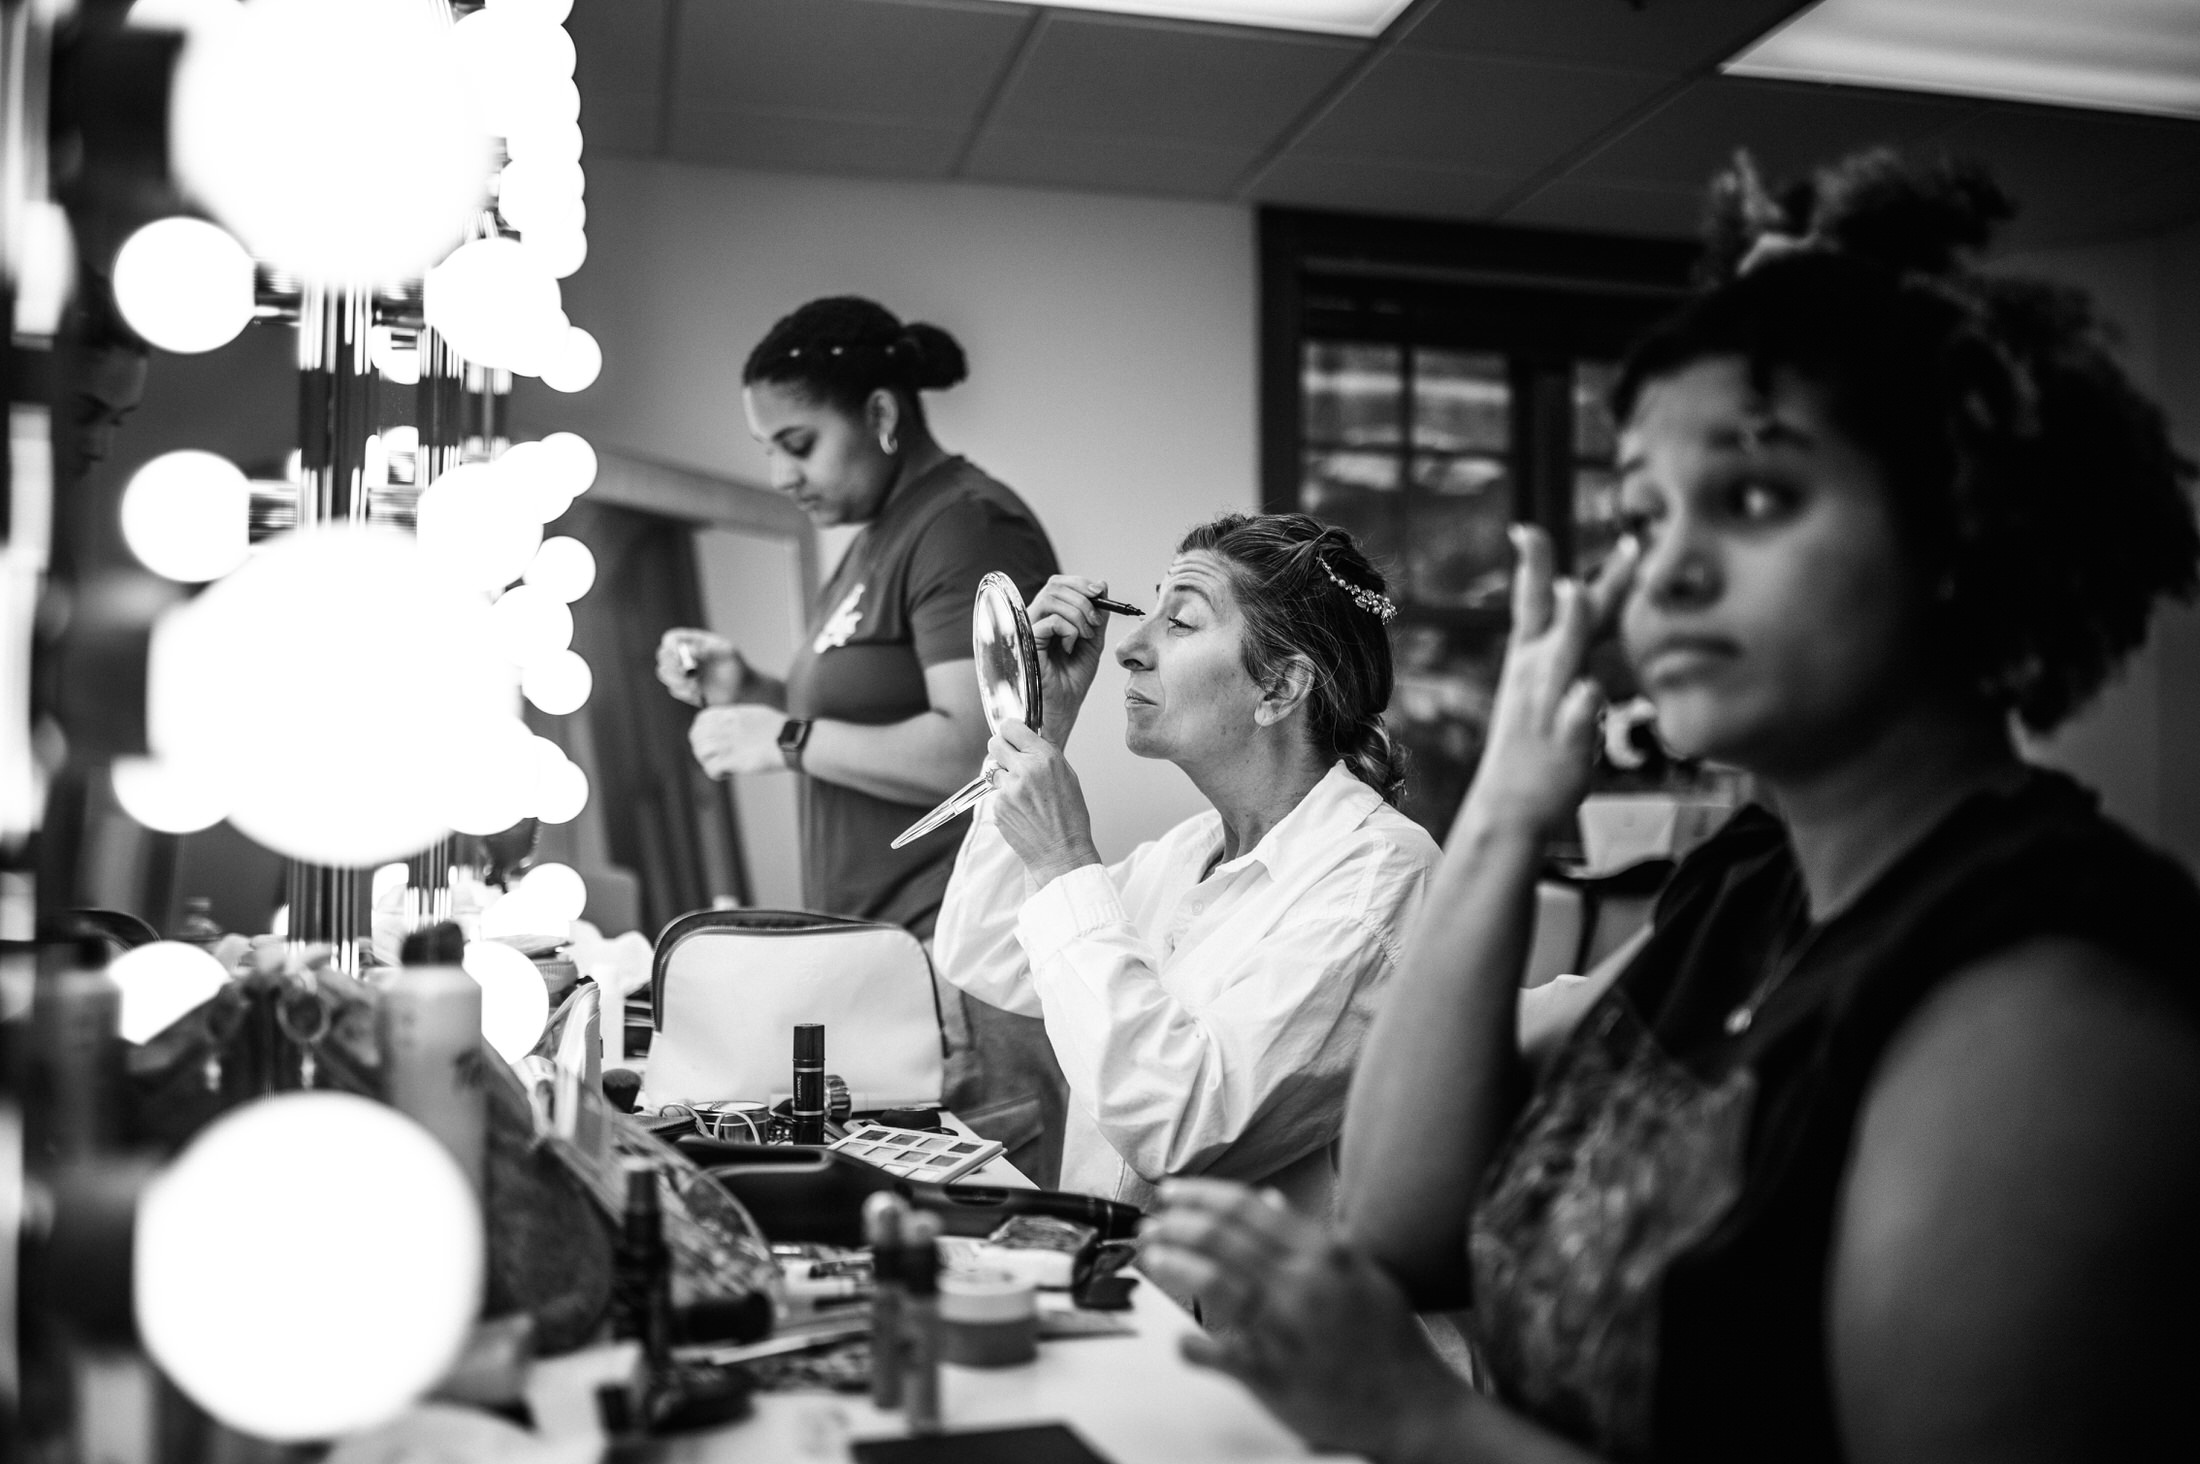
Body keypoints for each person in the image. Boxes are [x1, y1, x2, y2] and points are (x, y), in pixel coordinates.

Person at [1142, 151, 2200, 1462]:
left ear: (1961, 535)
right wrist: (1509, 807)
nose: (1669, 567)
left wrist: (1418, 1424)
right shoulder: (1755, 881)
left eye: (1756, 496)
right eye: (1642, 512)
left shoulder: (2051, 1005)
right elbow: (1400, 1216)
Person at [655, 296, 1065, 1176]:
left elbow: (978, 753)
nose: (777, 474)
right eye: (767, 448)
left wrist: (789, 736)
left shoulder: (966, 524)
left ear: (880, 414)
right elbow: (869, 716)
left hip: (956, 969)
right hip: (887, 967)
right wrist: (754, 689)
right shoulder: (876, 537)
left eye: (796, 443)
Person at [932, 513, 1440, 1213]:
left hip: (1237, 1321)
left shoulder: (1379, 878)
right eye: (1149, 615)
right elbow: (985, 949)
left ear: (1280, 688)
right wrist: (1038, 721)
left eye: (1182, 623)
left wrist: (1065, 859)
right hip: (1115, 1292)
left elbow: (1177, 1127)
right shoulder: (1188, 853)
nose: (1129, 649)